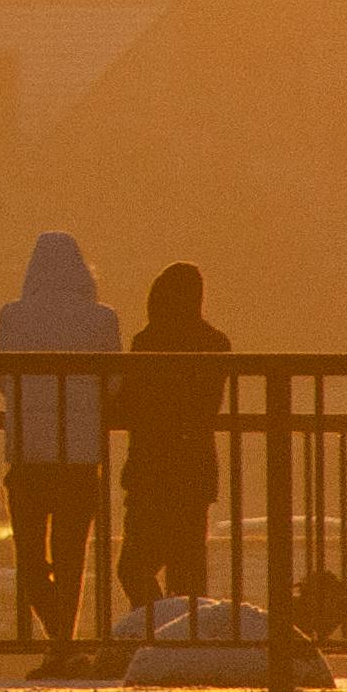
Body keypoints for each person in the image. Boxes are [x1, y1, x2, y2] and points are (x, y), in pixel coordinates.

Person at [0, 230, 123, 674]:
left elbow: (1, 378)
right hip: (81, 453)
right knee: (73, 556)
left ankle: (59, 643)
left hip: (27, 452)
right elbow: (113, 382)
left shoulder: (12, 316)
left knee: (31, 557)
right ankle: (64, 645)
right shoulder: (102, 318)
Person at [115, 262, 231, 617]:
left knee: (133, 568)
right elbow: (207, 406)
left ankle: (159, 631)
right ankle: (185, 642)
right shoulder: (215, 343)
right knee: (188, 573)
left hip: (150, 471)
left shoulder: (147, 341)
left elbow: (129, 403)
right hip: (194, 471)